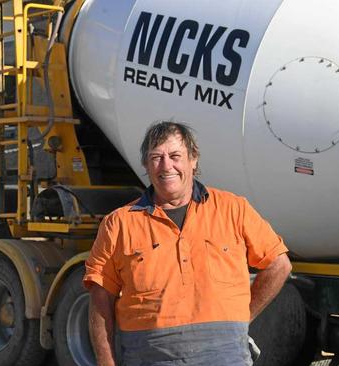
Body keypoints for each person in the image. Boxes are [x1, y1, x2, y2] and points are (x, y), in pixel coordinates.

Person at [83, 121, 292, 365]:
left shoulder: (233, 209)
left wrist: (242, 318)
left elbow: (280, 265)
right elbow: (100, 299)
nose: (166, 165)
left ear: (193, 160)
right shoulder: (118, 224)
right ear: (146, 166)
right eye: (156, 157)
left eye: (175, 156)